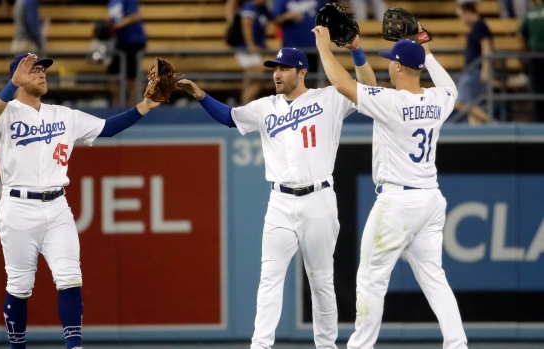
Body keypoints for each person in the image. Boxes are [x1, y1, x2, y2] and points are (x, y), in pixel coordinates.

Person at [178, 39, 377, 347]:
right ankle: (261, 344)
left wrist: (356, 52)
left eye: (284, 68)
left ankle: (326, 345)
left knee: (322, 282)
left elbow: (368, 86)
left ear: (302, 72)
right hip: (280, 202)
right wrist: (200, 95)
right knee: (269, 277)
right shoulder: (265, 107)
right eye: (275, 69)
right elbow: (230, 118)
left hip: (319, 199)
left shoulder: (329, 97)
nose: (277, 74)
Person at [0, 53, 161, 349]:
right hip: (18, 207)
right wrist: (10, 86)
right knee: (19, 287)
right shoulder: (6, 111)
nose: (42, 74)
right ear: (17, 77)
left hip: (57, 205)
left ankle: (74, 346)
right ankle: (17, 347)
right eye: (34, 70)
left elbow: (107, 128)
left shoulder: (63, 115)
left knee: (70, 278)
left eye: (42, 69)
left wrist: (144, 107)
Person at [311, 24, 469, 349]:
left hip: (397, 204)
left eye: (389, 61)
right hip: (429, 201)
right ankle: (457, 344)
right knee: (435, 280)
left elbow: (342, 84)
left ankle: (359, 347)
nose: (387, 65)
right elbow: (452, 88)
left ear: (397, 66)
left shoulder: (392, 103)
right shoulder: (437, 99)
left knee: (370, 281)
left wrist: (325, 48)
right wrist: (429, 53)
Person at [454, 1, 493, 124]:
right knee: (473, 108)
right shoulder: (477, 27)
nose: (462, 20)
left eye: (461, 16)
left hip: (475, 71)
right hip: (473, 70)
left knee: (461, 103)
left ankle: (494, 123)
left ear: (467, 12)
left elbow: (487, 48)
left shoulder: (480, 26)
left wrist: (485, 70)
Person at [271, 0, 325, 79]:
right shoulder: (282, 1)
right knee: (292, 78)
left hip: (313, 46)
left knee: (315, 78)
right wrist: (287, 16)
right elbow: (275, 20)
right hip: (292, 47)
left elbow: (325, 16)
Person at [108, 0, 147, 106]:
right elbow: (114, 20)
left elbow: (133, 17)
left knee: (132, 76)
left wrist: (115, 26)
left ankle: (134, 107)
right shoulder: (111, 2)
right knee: (113, 75)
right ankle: (116, 107)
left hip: (133, 40)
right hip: (120, 42)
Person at [236, 0, 271, 105]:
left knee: (251, 82)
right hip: (247, 52)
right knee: (256, 81)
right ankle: (244, 108)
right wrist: (251, 45)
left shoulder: (262, 9)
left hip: (257, 50)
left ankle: (243, 108)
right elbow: (246, 24)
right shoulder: (250, 6)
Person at [517, 0, 544, 122]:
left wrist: (525, 50)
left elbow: (520, 35)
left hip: (535, 55)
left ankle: (539, 119)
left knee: (537, 89)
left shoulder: (531, 12)